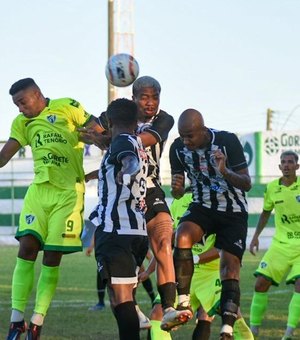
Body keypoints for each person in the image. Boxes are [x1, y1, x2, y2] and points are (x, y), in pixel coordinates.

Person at [80, 76, 192, 330]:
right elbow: (87, 134)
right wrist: (96, 136)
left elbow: (147, 140)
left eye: (155, 97)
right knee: (120, 276)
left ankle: (170, 307)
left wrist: (112, 137)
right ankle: (135, 311)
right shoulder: (115, 117)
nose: (150, 103)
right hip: (121, 196)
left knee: (165, 240)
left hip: (149, 188)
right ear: (133, 98)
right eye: (144, 97)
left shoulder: (163, 119)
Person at [0, 78, 102, 340]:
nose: (20, 108)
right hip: (39, 192)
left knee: (51, 258)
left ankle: (37, 320)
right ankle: (15, 321)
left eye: (22, 102)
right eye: (16, 104)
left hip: (68, 193)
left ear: (37, 94)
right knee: (27, 248)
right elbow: (2, 158)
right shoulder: (22, 123)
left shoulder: (68, 106)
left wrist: (96, 136)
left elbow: (100, 132)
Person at [169, 108, 251, 339]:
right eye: (182, 135)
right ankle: (183, 303)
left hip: (233, 211)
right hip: (203, 205)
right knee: (182, 236)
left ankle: (227, 328)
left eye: (190, 136)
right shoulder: (177, 148)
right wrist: (176, 190)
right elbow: (178, 192)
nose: (186, 141)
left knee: (229, 268)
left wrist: (224, 170)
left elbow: (246, 183)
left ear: (203, 130)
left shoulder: (227, 141)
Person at [140, 190, 253, 340]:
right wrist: (148, 270)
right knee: (158, 313)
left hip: (211, 273)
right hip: (183, 272)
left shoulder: (220, 202)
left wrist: (194, 258)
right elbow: (167, 242)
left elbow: (222, 247)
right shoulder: (179, 202)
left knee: (231, 314)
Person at [90, 98, 149, 340]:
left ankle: (138, 325)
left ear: (111, 121)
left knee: (122, 298)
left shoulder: (123, 142)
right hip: (134, 231)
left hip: (117, 232)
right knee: (119, 297)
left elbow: (130, 162)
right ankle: (139, 321)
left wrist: (125, 172)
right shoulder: (135, 141)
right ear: (136, 122)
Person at [249, 150, 300, 340]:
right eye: (283, 162)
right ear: (279, 166)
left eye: (290, 162)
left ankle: (288, 332)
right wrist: (255, 237)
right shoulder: (271, 188)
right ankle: (253, 330)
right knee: (260, 283)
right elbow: (265, 213)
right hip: (280, 245)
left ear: (297, 166)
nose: (286, 165)